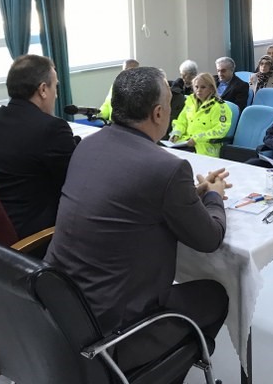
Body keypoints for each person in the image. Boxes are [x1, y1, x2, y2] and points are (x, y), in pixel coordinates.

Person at [44, 67, 230, 375]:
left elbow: (129, 201)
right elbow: (209, 239)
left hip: (60, 309)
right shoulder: (166, 168)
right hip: (112, 332)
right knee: (215, 296)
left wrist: (189, 194)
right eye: (171, 103)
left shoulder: (88, 146)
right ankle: (157, 371)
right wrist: (214, 196)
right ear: (159, 113)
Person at [0, 55, 78, 238]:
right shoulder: (52, 128)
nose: (57, 94)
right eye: (55, 86)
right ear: (43, 90)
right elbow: (75, 183)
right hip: (37, 237)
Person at [170, 72, 232, 157]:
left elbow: (220, 130)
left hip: (206, 148)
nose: (199, 90)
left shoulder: (220, 107)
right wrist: (176, 133)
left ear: (211, 88)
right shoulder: (190, 102)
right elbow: (181, 121)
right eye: (196, 87)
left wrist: (197, 138)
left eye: (203, 87)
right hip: (186, 144)